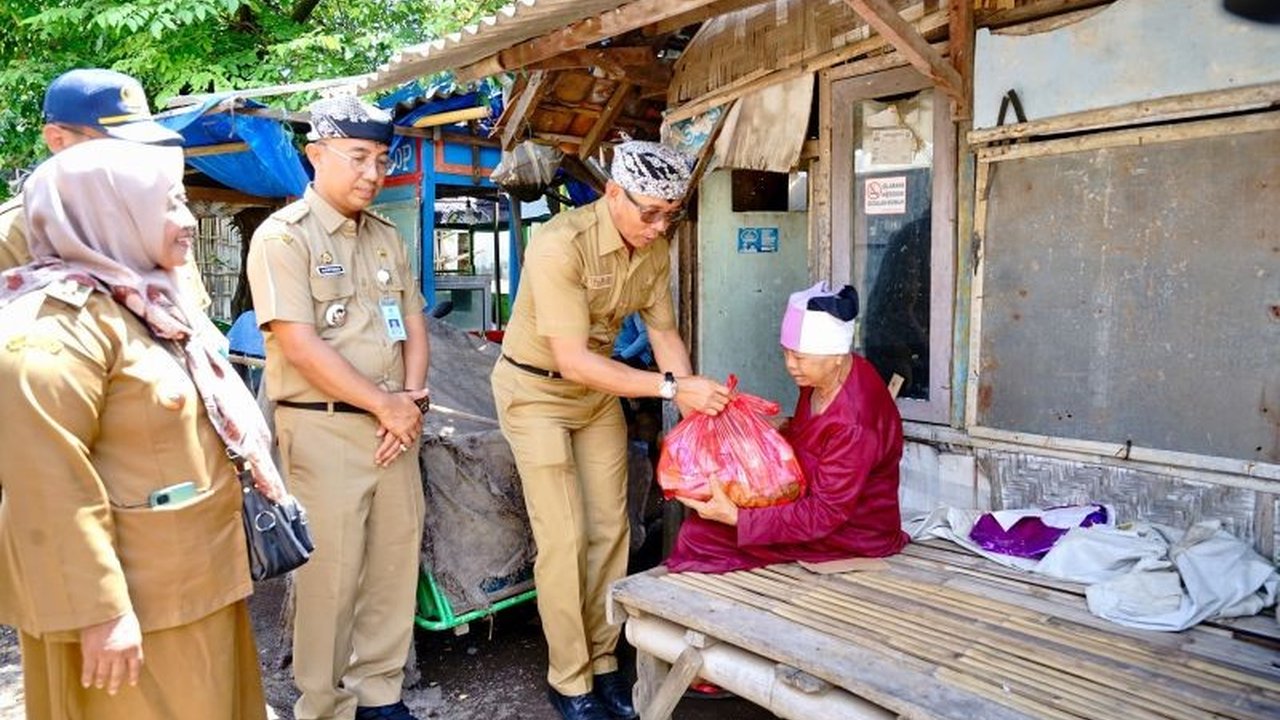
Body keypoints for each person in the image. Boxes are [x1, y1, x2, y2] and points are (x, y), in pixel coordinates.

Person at [0, 138, 284, 719]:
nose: (186, 221)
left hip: (193, 583)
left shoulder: (146, 302)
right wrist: (99, 613)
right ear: (110, 213)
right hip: (130, 612)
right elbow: (47, 486)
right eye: (170, 205)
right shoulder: (54, 330)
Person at [491, 140, 732, 720]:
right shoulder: (559, 246)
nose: (657, 226)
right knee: (564, 538)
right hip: (536, 392)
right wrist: (671, 391)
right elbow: (572, 359)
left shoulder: (654, 247)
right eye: (648, 212)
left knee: (610, 529)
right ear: (613, 193)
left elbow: (664, 333)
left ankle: (603, 663)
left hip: (598, 395)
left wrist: (693, 400)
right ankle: (568, 679)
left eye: (667, 215)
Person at [246, 96, 429, 720]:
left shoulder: (385, 236)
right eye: (358, 157)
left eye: (381, 159)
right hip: (323, 427)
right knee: (331, 578)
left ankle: (381, 694)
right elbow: (297, 342)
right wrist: (388, 404)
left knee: (393, 564)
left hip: (395, 428)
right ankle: (323, 706)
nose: (373, 173)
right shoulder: (283, 237)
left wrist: (410, 399)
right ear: (316, 154)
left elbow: (412, 321)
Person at [667, 282, 909, 573]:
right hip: (812, 500)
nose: (790, 365)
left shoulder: (855, 422)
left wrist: (738, 518)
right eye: (786, 353)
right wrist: (765, 431)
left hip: (851, 532)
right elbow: (815, 437)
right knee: (704, 521)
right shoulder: (823, 378)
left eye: (800, 357)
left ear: (836, 355)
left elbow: (824, 514)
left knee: (700, 537)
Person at [0, 67, 212, 310]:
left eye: (143, 144)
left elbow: (194, 317)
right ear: (57, 140)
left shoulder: (158, 223)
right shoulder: (10, 236)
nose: (133, 157)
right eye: (115, 145)